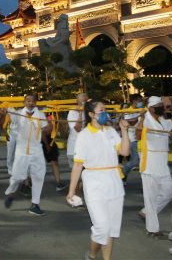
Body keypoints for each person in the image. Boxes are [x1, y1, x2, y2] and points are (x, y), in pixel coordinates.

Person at [67, 100, 131, 260]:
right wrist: (71, 191)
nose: (105, 113)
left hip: (114, 182)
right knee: (102, 227)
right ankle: (92, 254)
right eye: (101, 110)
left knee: (111, 227)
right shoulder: (83, 136)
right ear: (91, 114)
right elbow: (77, 165)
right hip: (94, 183)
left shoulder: (110, 131)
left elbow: (124, 152)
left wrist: (124, 131)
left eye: (105, 110)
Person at [137, 96, 172, 236]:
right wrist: (141, 120)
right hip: (150, 164)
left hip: (162, 163)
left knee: (167, 194)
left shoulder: (161, 120)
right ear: (151, 108)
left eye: (163, 105)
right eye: (160, 106)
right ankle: (153, 229)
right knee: (150, 198)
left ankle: (146, 212)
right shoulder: (146, 120)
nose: (163, 108)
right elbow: (138, 135)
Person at [4, 94, 50, 216]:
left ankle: (35, 204)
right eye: (28, 101)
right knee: (17, 176)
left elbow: (46, 129)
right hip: (22, 149)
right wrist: (5, 108)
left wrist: (48, 129)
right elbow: (10, 114)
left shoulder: (40, 115)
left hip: (36, 150)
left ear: (36, 102)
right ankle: (11, 193)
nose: (30, 103)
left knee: (39, 176)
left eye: (33, 101)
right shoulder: (18, 113)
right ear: (24, 102)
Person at [42, 115, 67, 191]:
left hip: (50, 142)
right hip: (43, 142)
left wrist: (61, 125)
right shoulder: (48, 119)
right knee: (37, 164)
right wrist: (47, 145)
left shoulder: (56, 121)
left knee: (54, 163)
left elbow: (63, 135)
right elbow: (43, 133)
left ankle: (58, 183)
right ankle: (28, 182)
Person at [121, 94, 144, 181]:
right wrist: (139, 116)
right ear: (134, 101)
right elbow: (130, 123)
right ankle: (123, 173)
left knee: (143, 161)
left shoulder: (142, 110)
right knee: (135, 161)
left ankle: (145, 182)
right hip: (133, 139)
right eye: (139, 100)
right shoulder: (128, 111)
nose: (141, 102)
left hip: (143, 138)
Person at [66, 93, 87, 169]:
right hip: (74, 147)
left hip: (86, 147)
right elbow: (77, 129)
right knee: (76, 172)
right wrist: (81, 112)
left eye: (85, 100)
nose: (84, 102)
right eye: (82, 100)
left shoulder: (88, 112)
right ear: (77, 101)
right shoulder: (72, 112)